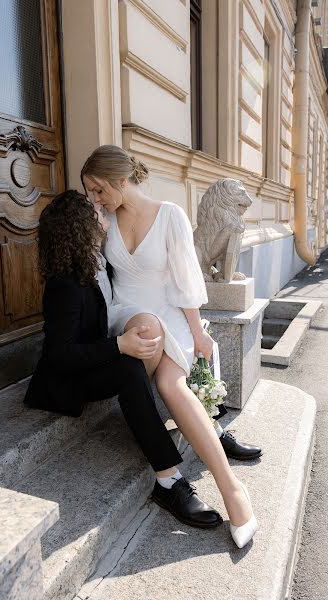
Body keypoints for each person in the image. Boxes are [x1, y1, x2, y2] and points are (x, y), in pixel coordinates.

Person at [81, 145, 259, 548]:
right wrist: (94, 222)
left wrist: (197, 333)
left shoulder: (170, 215)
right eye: (90, 193)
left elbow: (185, 281)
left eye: (97, 190)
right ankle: (196, 459)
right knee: (145, 328)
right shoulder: (103, 219)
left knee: (171, 385)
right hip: (128, 314)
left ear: (119, 180)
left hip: (171, 314)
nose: (95, 198)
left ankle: (232, 491)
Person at [24, 190, 223, 532]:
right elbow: (59, 355)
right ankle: (168, 480)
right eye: (95, 210)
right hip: (65, 381)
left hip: (93, 362)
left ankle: (201, 438)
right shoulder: (64, 284)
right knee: (130, 368)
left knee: (133, 366)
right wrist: (119, 345)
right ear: (80, 226)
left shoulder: (97, 262)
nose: (103, 211)